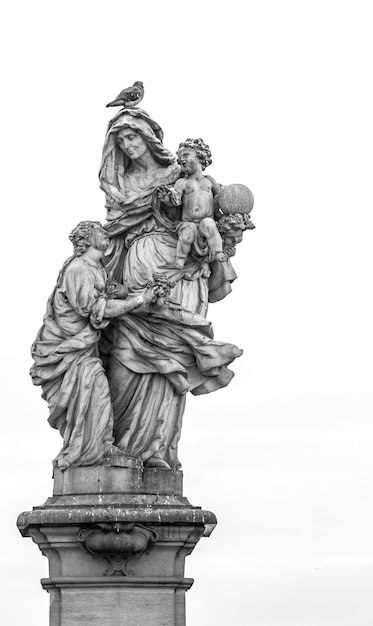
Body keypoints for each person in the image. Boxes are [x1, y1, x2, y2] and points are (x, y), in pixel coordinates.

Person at [99, 110, 242, 469]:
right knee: (127, 354)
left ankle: (156, 451)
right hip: (138, 265)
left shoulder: (179, 173)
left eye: (133, 138)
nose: (129, 146)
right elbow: (112, 233)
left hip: (183, 272)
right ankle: (119, 448)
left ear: (148, 137)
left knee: (173, 358)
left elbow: (209, 213)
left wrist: (229, 232)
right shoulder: (119, 184)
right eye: (121, 142)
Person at [30, 221, 156, 471]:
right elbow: (96, 310)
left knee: (94, 392)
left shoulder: (97, 268)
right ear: (87, 239)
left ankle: (98, 446)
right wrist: (141, 299)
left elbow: (107, 295)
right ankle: (90, 451)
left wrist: (125, 292)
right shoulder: (78, 269)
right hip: (69, 350)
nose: (105, 233)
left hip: (85, 348)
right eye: (99, 230)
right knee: (95, 389)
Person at [167, 138, 227, 269]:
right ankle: (180, 259)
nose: (180, 160)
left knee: (209, 226)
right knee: (186, 234)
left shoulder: (210, 181)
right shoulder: (182, 182)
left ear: (200, 156)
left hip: (207, 220)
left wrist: (228, 196)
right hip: (188, 222)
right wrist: (170, 197)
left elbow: (220, 197)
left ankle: (217, 252)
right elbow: (176, 198)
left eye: (186, 155)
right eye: (179, 157)